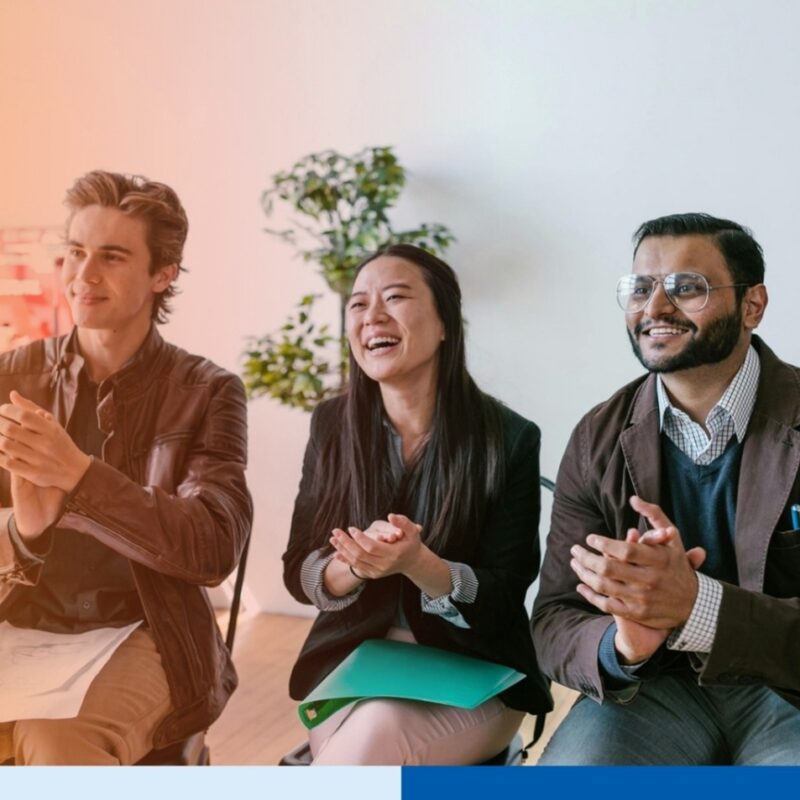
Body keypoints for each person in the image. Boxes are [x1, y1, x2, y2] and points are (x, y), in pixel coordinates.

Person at [0, 171, 252, 765]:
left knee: (57, 745)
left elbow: (212, 546)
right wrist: (24, 535)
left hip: (145, 632)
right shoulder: (11, 378)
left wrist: (82, 479)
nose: (83, 276)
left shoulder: (207, 391)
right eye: (76, 253)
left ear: (163, 275)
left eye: (110, 257)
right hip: (23, 629)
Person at [533, 213, 800, 765]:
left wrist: (698, 605)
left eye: (687, 287)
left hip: (787, 691)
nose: (654, 308)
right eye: (640, 288)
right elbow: (555, 617)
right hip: (654, 690)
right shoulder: (597, 436)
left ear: (753, 305)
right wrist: (623, 645)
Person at [282, 243, 551, 765]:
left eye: (395, 297)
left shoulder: (509, 438)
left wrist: (421, 566)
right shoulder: (333, 426)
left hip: (477, 672)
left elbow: (504, 591)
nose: (372, 316)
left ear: (445, 323)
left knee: (366, 748)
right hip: (358, 664)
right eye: (358, 305)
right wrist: (349, 567)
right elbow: (299, 569)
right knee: (358, 750)